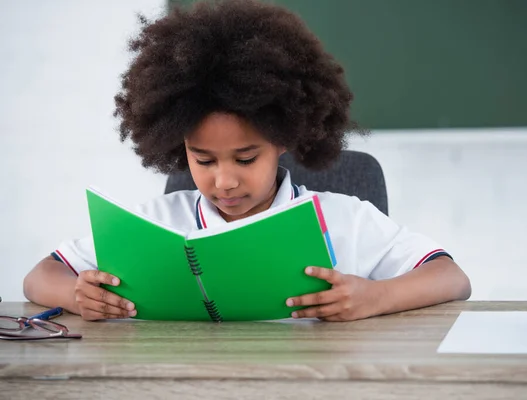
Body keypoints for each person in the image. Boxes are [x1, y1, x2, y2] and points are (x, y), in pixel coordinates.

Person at [23, 0, 471, 322]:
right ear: (180, 148)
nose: (224, 181)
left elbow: (451, 278)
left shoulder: (345, 220)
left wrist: (376, 297)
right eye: (202, 159)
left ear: (283, 139)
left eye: (245, 157)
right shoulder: (153, 224)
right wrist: (77, 295)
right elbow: (39, 277)